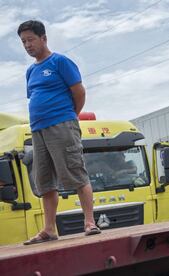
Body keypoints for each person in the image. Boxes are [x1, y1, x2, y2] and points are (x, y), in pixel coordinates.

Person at [18, 20, 100, 245]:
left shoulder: (60, 62)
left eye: (30, 39)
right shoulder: (30, 71)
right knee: (44, 181)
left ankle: (90, 222)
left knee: (74, 171)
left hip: (62, 125)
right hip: (38, 130)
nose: (27, 45)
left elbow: (79, 92)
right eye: (23, 41)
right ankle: (49, 229)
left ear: (43, 38)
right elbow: (34, 97)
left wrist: (71, 116)